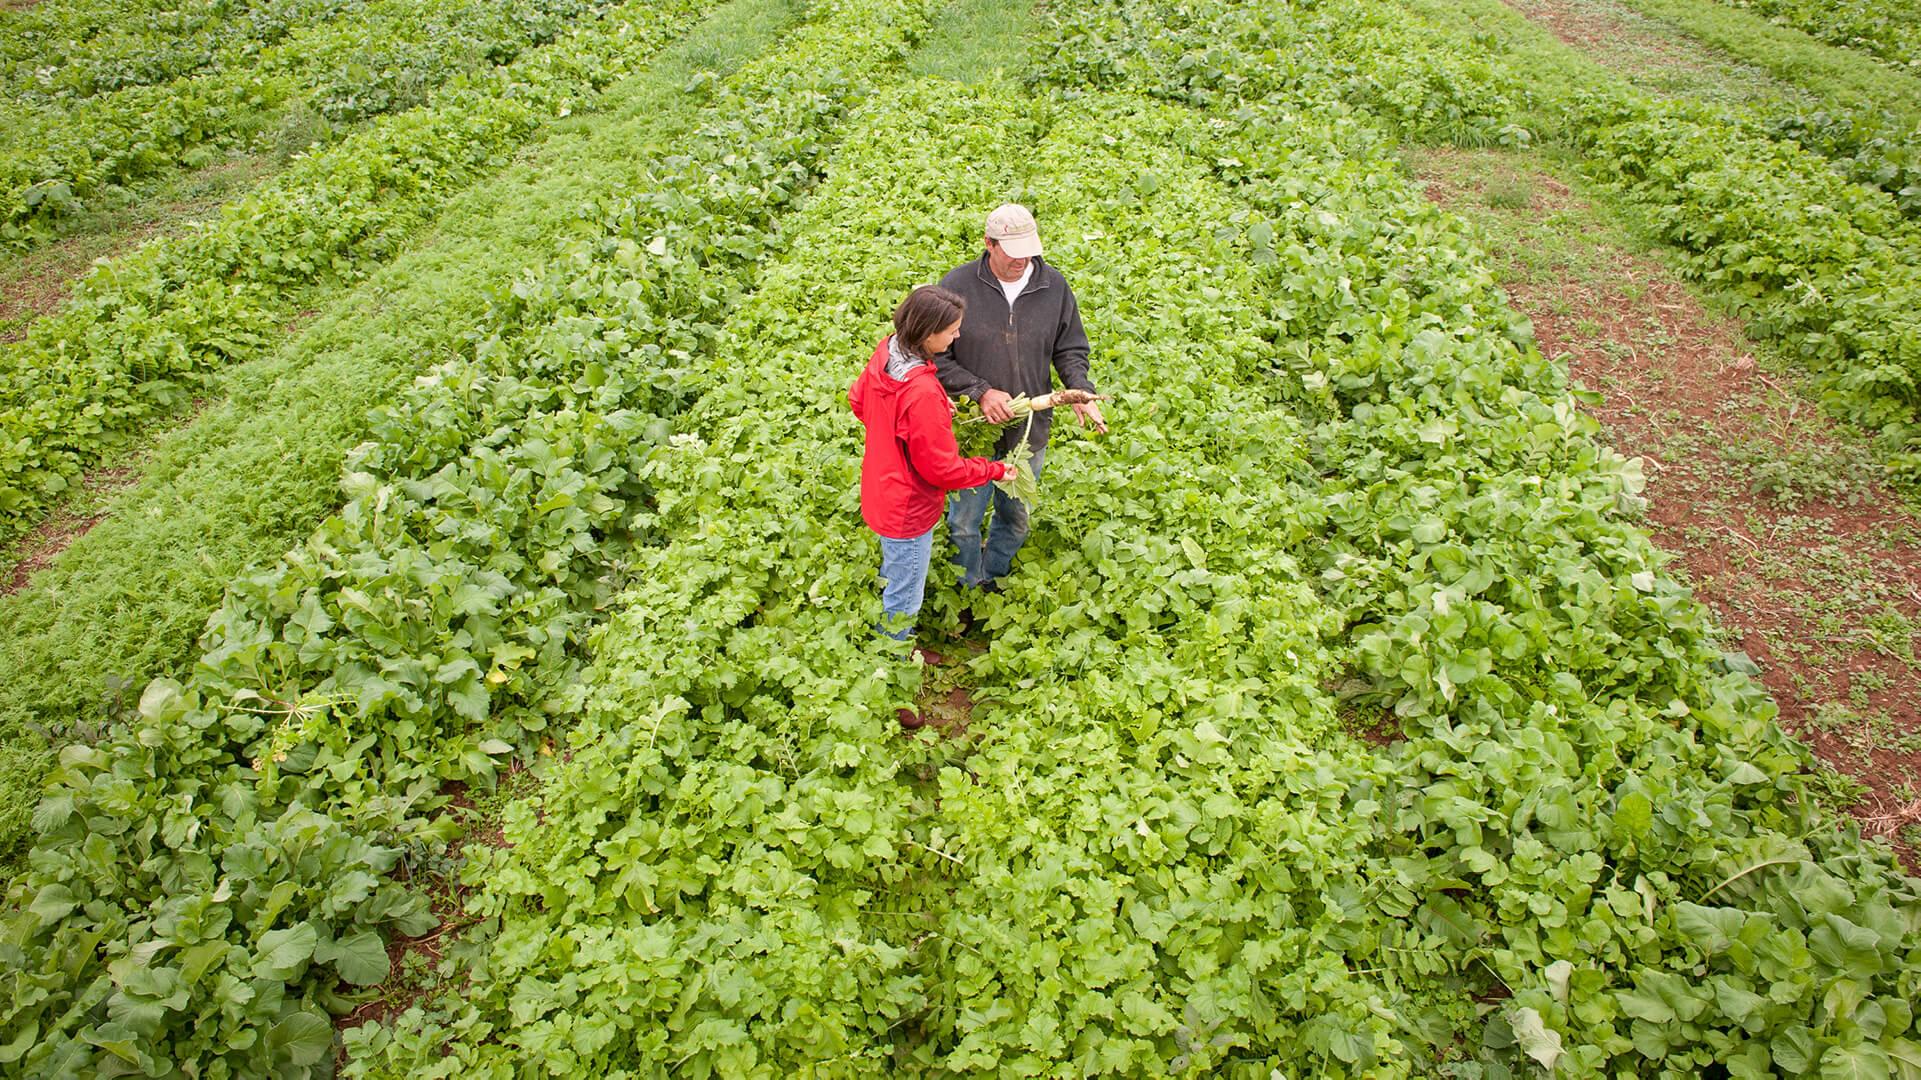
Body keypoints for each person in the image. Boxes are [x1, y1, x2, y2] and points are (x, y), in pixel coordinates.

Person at [934, 203, 1105, 589]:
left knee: (1016, 515)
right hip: (974, 427)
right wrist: (979, 392)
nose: (1022, 259)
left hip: (1029, 428)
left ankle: (992, 579)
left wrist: (1079, 388)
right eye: (1012, 251)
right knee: (964, 520)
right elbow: (936, 357)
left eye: (1029, 249)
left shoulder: (1053, 286)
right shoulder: (957, 287)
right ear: (989, 244)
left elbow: (1071, 347)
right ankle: (966, 586)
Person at [850, 285, 1019, 641]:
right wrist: (995, 470)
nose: (958, 335)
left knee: (895, 569)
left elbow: (858, 400)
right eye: (952, 330)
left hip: (882, 485)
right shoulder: (921, 392)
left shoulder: (888, 351)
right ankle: (894, 659)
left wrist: (932, 409)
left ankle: (892, 646)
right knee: (904, 594)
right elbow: (942, 470)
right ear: (928, 334)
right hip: (908, 506)